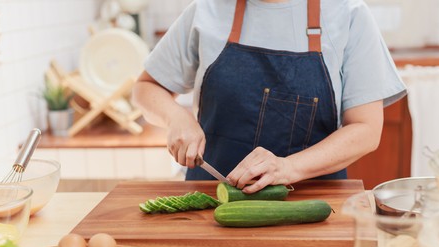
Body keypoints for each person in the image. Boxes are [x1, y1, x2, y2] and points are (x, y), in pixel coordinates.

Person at [132, 0, 407, 194]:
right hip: (210, 202)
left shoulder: (349, 14)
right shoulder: (206, 10)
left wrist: (287, 168)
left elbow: (366, 129)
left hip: (313, 208)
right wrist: (176, 117)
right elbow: (146, 88)